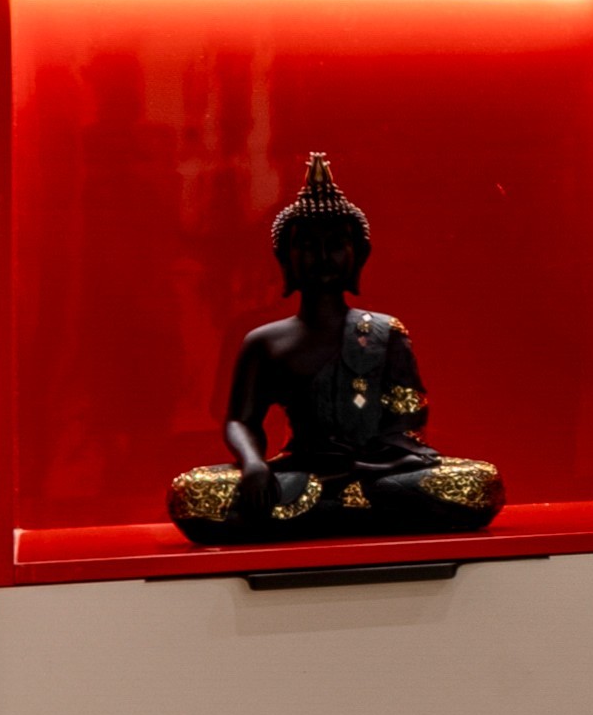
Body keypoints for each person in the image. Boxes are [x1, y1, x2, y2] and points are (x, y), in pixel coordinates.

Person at [171, 154, 503, 544]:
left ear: (358, 255)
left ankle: (326, 506)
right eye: (308, 246)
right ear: (286, 258)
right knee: (196, 493)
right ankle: (348, 507)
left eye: (336, 245)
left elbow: (407, 425)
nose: (323, 257)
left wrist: (366, 462)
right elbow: (240, 421)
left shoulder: (385, 332)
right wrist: (254, 464)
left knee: (474, 483)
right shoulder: (264, 341)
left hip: (378, 470)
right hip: (305, 467)